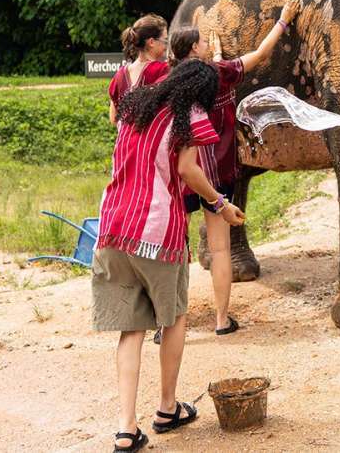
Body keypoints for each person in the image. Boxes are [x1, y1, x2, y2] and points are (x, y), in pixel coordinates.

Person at [93, 59, 246, 452]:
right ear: (202, 93)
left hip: (112, 228)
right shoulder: (190, 114)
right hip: (158, 231)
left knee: (132, 329)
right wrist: (220, 204)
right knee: (174, 317)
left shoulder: (135, 104)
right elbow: (188, 170)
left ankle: (126, 429)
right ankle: (166, 408)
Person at [164, 0, 297, 337]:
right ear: (194, 48)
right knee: (221, 249)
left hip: (178, 175)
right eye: (205, 41)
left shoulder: (167, 83)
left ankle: (165, 324)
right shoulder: (220, 75)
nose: (210, 44)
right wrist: (283, 20)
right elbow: (261, 55)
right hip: (215, 174)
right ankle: (222, 320)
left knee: (175, 249)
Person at [109, 14, 170, 124]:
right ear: (151, 42)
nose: (166, 46)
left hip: (123, 140)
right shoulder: (163, 70)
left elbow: (113, 118)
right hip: (152, 141)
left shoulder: (120, 75)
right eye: (165, 40)